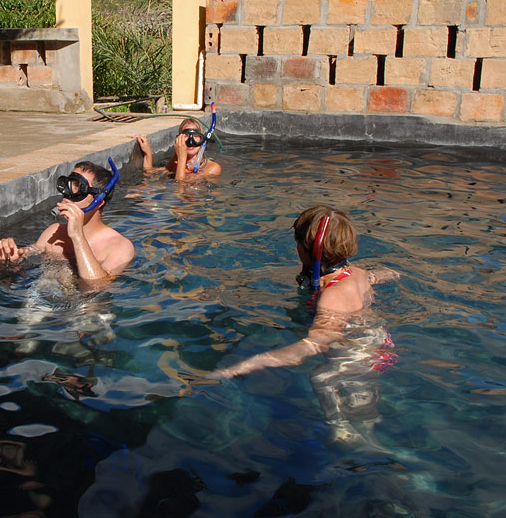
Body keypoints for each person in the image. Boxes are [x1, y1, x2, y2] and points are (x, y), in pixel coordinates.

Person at [209, 206, 400, 444]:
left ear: (306, 248)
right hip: (378, 343)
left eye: (297, 243)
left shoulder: (333, 295)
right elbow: (376, 276)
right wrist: (391, 273)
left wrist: (245, 365)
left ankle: (344, 430)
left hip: (359, 355)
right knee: (357, 391)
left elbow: (315, 344)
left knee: (322, 378)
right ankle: (366, 429)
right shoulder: (356, 273)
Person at [0, 159, 135, 282]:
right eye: (67, 186)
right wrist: (9, 259)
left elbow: (96, 286)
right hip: (41, 299)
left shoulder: (120, 247)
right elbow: (27, 254)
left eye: (77, 190)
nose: (66, 197)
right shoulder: (54, 232)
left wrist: (78, 237)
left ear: (98, 202)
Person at [135, 117, 221, 181]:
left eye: (196, 136)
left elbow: (180, 187)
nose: (190, 141)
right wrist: (148, 154)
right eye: (186, 136)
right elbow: (149, 173)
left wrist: (182, 158)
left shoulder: (212, 168)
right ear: (178, 139)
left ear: (202, 140)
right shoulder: (176, 160)